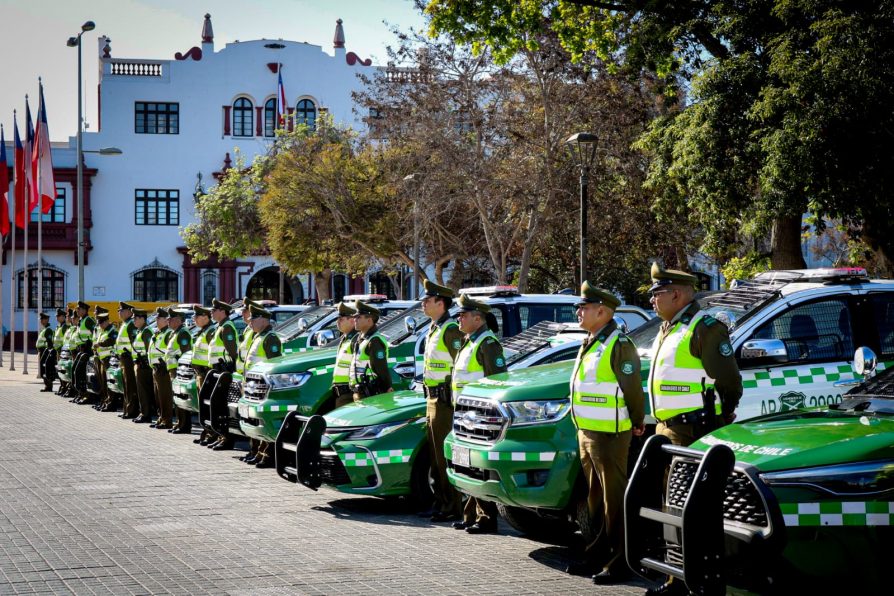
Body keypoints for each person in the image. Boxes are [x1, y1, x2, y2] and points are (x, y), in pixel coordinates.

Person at [644, 262, 743, 596]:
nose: (653, 300)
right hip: (666, 430)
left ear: (676, 294)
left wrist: (724, 414)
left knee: (690, 509)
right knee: (671, 507)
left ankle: (694, 579)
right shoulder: (669, 327)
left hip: (692, 431)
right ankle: (678, 576)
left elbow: (729, 380)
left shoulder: (705, 328)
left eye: (657, 294)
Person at [565, 282, 645, 584]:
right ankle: (597, 554)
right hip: (588, 432)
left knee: (614, 501)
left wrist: (637, 420)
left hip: (610, 435)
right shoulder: (591, 341)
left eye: (584, 307)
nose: (578, 311)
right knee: (595, 500)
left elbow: (632, 390)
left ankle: (619, 561)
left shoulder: (618, 344)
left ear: (603, 311)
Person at [450, 294, 506, 535]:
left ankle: (486, 518)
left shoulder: (488, 343)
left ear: (477, 318)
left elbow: (497, 381)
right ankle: (470, 513)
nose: (459, 319)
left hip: (479, 416)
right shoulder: (470, 340)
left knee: (476, 466)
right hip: (464, 415)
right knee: (465, 464)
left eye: (463, 315)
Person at [419, 280, 464, 523]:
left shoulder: (449, 329)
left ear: (441, 303)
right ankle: (440, 501)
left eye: (428, 300)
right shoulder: (435, 327)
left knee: (444, 455)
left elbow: (459, 365)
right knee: (435, 455)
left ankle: (451, 506)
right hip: (432, 396)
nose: (424, 304)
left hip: (445, 400)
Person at [243, 304, 283, 468]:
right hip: (253, 385)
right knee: (253, 419)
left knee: (263, 420)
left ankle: (267, 454)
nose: (250, 322)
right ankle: (258, 452)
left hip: (264, 387)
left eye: (253, 319)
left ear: (263, 320)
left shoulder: (270, 338)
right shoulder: (257, 336)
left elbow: (275, 364)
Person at [203, 298, 239, 451]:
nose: (211, 312)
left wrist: (229, 368)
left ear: (222, 311)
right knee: (217, 406)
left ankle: (227, 439)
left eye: (214, 310)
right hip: (218, 370)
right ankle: (221, 436)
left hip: (224, 370)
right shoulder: (220, 326)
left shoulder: (227, 328)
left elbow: (232, 351)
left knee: (222, 406)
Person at [348, 300, 392, 401]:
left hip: (370, 393)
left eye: (358, 317)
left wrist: (387, 387)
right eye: (355, 317)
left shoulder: (374, 341)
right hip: (360, 391)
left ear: (369, 320)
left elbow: (381, 368)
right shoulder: (361, 338)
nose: (355, 320)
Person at [191, 306, 218, 445]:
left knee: (208, 406)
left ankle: (212, 434)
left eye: (197, 317)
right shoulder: (203, 331)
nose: (194, 319)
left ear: (205, 318)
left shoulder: (210, 332)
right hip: (199, 374)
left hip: (206, 373)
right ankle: (206, 432)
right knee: (202, 406)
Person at [165, 309, 194, 434]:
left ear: (178, 319)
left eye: (170, 318)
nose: (168, 320)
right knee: (177, 398)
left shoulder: (183, 333)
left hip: (180, 371)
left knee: (181, 398)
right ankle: (179, 423)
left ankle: (184, 425)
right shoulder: (175, 332)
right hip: (173, 370)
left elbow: (185, 353)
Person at [330, 301, 359, 409]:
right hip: (341, 393)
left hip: (349, 392)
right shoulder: (345, 339)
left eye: (341, 319)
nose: (338, 322)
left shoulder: (355, 339)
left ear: (351, 320)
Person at [130, 308, 156, 423]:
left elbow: (148, 349)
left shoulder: (146, 331)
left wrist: (145, 362)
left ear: (142, 319)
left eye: (135, 318)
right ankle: (143, 412)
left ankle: (146, 414)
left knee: (144, 391)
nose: (134, 321)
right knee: (141, 391)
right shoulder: (140, 331)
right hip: (139, 364)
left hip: (144, 366)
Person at [149, 308, 173, 429]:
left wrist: (165, 364)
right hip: (156, 368)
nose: (156, 321)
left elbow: (169, 351)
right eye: (156, 318)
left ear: (165, 320)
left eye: (159, 318)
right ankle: (161, 417)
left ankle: (167, 420)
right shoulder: (159, 333)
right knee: (158, 396)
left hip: (163, 368)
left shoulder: (168, 333)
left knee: (165, 396)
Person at [115, 302, 140, 419]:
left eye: (121, 310)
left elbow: (133, 342)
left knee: (130, 385)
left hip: (129, 358)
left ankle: (131, 410)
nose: (119, 312)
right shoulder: (125, 323)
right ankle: (127, 409)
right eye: (119, 310)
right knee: (125, 385)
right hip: (123, 358)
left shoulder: (130, 324)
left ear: (129, 311)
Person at [93, 311, 118, 411]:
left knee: (110, 383)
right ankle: (106, 402)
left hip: (109, 360)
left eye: (102, 323)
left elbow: (112, 340)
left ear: (107, 321)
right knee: (104, 383)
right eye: (100, 323)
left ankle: (111, 404)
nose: (101, 325)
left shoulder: (112, 330)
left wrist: (100, 344)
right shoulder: (103, 331)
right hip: (102, 359)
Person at [72, 301, 96, 404]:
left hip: (87, 350)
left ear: (85, 310)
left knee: (83, 373)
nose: (77, 310)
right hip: (80, 349)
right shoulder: (81, 321)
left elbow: (95, 333)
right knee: (76, 371)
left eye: (79, 309)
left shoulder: (88, 320)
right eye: (77, 309)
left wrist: (90, 343)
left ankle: (87, 396)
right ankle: (80, 393)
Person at [35, 312, 54, 391]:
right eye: (41, 319)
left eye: (42, 319)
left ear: (46, 320)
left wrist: (48, 353)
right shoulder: (44, 329)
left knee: (45, 369)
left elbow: (49, 343)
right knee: (42, 369)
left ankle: (49, 386)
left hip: (45, 352)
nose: (41, 321)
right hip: (42, 351)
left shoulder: (48, 330)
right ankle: (47, 386)